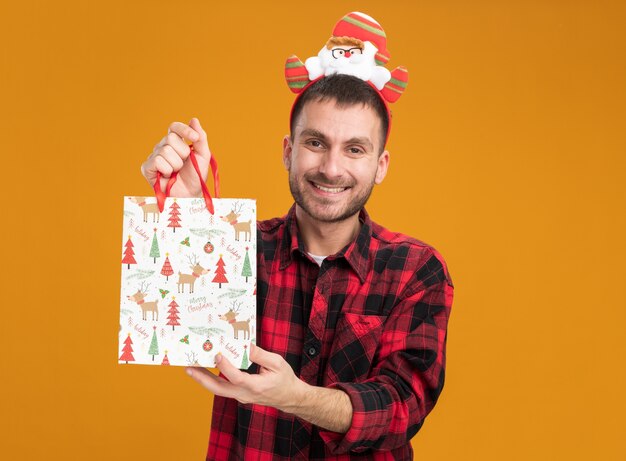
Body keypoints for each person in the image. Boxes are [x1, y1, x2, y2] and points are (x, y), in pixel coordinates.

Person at [140, 13, 453, 461]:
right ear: (288, 151)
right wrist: (186, 212)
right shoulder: (239, 247)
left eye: (355, 149)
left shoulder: (416, 269)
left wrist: (295, 396)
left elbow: (404, 404)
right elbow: (178, 328)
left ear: (380, 165)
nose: (331, 167)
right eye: (315, 143)